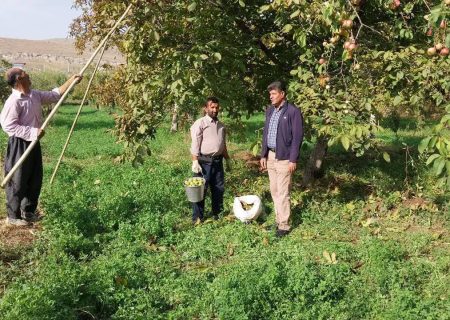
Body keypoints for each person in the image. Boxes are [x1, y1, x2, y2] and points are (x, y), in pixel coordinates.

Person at [1, 68, 82, 226]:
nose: (28, 75)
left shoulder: (34, 95)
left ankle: (28, 211)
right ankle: (13, 216)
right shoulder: (13, 101)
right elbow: (8, 126)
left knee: (34, 177)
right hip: (19, 143)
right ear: (18, 80)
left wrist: (71, 81)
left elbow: (54, 95)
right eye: (25, 74)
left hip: (33, 142)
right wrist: (33, 132)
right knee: (18, 179)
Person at [260, 81, 303, 237]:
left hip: (284, 158)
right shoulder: (270, 110)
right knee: (274, 190)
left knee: (283, 192)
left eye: (273, 94)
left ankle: (284, 226)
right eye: (270, 94)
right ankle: (278, 221)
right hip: (271, 156)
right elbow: (266, 133)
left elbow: (297, 137)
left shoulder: (292, 112)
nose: (270, 97)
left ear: (282, 94)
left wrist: (293, 159)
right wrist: (263, 154)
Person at [190, 96, 231, 224]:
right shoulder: (200, 123)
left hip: (218, 162)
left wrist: (227, 159)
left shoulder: (221, 125)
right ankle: (197, 218)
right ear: (206, 108)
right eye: (212, 107)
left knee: (218, 188)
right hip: (204, 162)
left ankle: (217, 214)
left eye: (217, 107)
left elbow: (222, 145)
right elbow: (195, 143)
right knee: (200, 190)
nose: (215, 110)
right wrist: (195, 160)